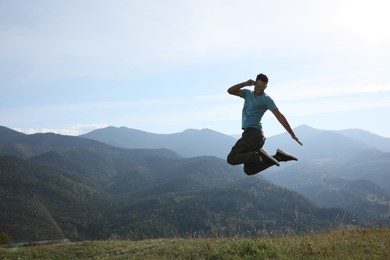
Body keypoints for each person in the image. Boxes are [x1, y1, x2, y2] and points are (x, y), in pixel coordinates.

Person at [227, 73, 302, 175]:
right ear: (254, 84)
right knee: (249, 170)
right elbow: (230, 91)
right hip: (254, 137)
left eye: (263, 87)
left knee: (231, 158)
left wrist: (292, 134)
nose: (260, 89)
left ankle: (258, 155)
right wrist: (244, 83)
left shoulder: (266, 99)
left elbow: (279, 116)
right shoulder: (247, 94)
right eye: (258, 86)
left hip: (253, 135)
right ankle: (279, 157)